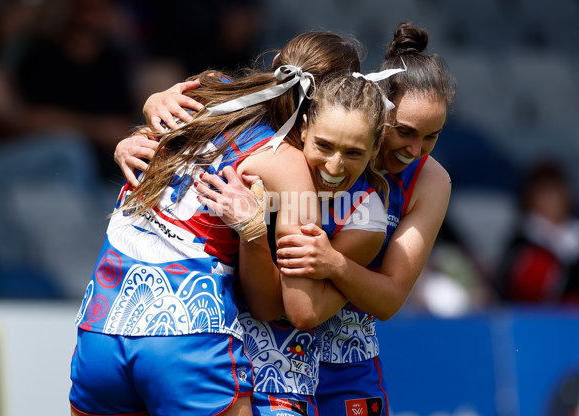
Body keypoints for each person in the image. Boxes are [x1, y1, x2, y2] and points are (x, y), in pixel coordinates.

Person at [118, 22, 455, 416]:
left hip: (345, 361)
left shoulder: (423, 184)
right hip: (258, 353)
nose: (415, 150)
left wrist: (336, 264)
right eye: (404, 132)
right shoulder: (292, 141)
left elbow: (390, 297)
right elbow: (205, 110)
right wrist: (144, 124)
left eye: (432, 137)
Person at [69, 31, 363, 416]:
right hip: (188, 334)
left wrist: (134, 129)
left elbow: (152, 110)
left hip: (101, 326)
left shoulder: (207, 89)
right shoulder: (287, 164)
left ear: (276, 63)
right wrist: (263, 239)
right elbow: (290, 307)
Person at [495, 159, 579, 303]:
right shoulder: (522, 244)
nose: (551, 200)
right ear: (529, 197)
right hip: (540, 320)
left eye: (555, 190)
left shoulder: (574, 232)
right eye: (543, 192)